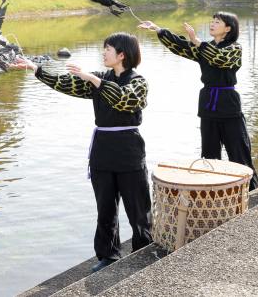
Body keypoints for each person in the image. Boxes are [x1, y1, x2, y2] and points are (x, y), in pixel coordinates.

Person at [10, 32, 152, 273]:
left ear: (121, 55)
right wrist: (36, 69)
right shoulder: (99, 78)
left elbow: (123, 99)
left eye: (107, 49)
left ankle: (143, 252)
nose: (103, 53)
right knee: (105, 207)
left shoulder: (138, 82)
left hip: (129, 150)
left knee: (138, 208)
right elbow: (67, 83)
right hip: (102, 150)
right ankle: (108, 255)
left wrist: (93, 79)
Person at [138, 12, 258, 190]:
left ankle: (251, 189)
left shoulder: (234, 48)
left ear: (228, 28)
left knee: (238, 149)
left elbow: (219, 58)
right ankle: (212, 190)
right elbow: (181, 46)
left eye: (217, 22)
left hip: (228, 104)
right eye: (212, 21)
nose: (212, 24)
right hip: (207, 104)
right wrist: (158, 29)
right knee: (209, 153)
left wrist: (197, 41)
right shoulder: (204, 47)